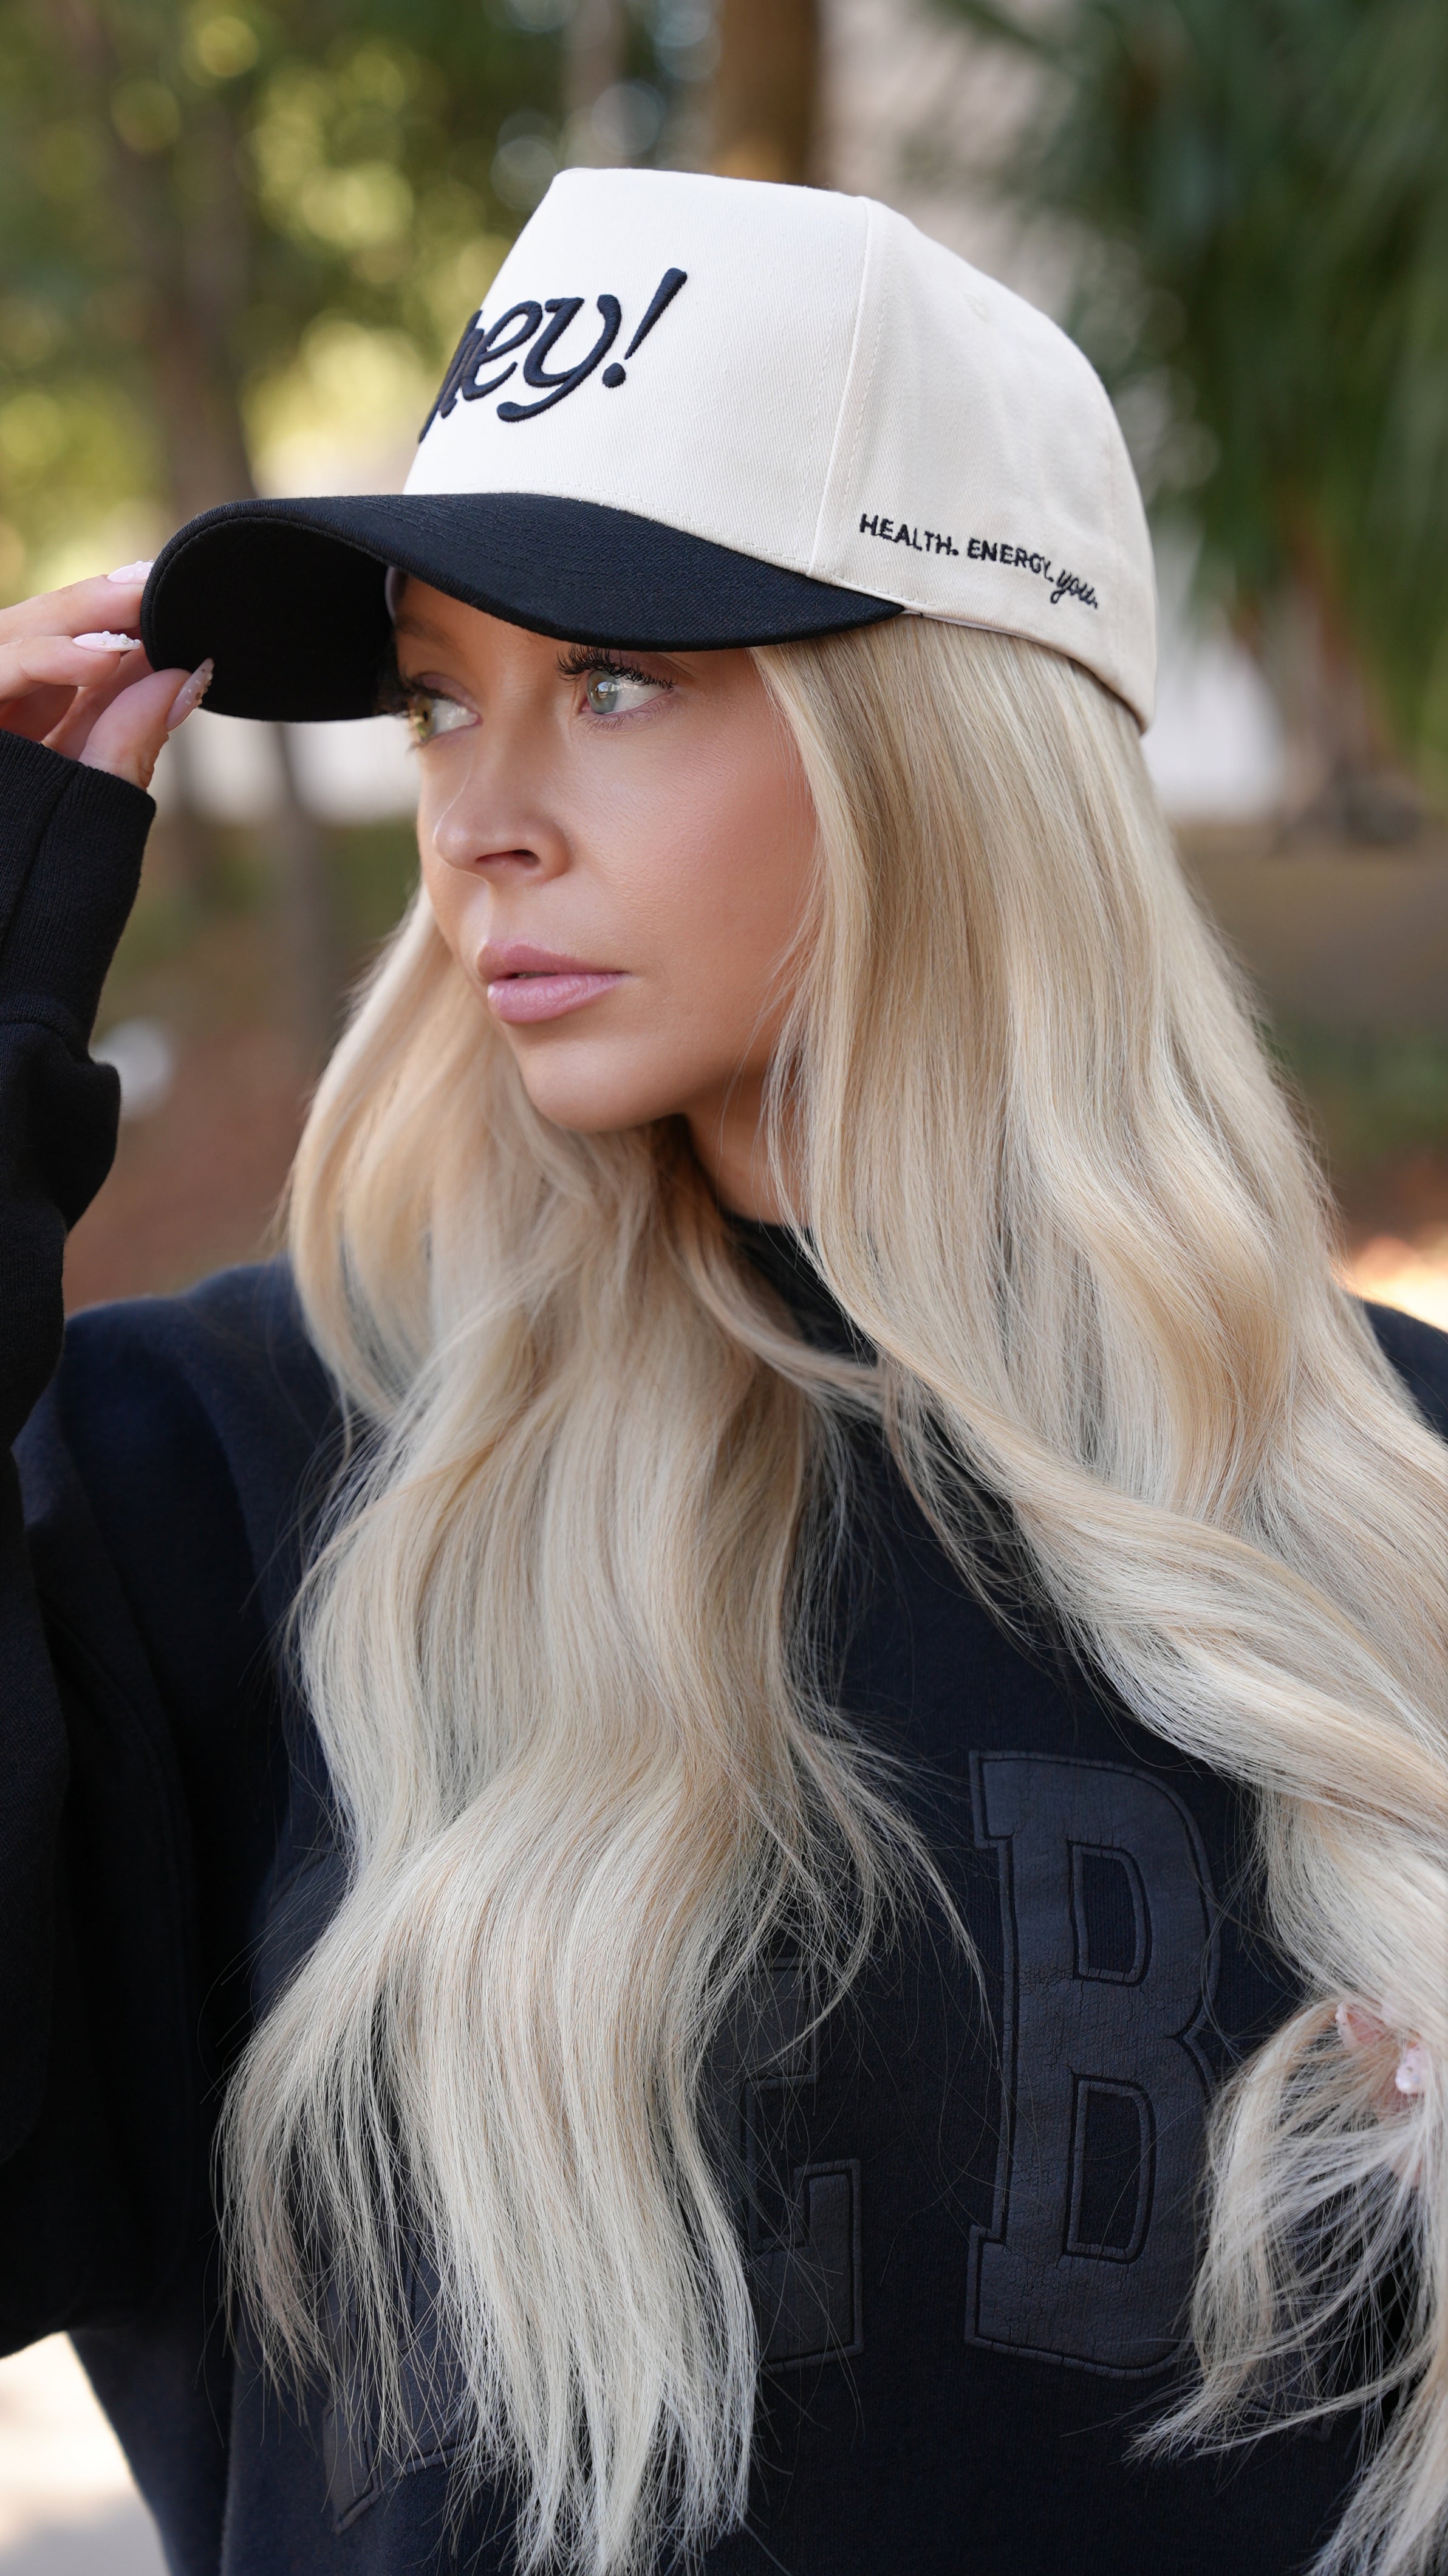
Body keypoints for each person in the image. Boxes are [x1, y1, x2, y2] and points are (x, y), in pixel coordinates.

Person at [0, 168, 1443, 2576]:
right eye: (446, 691)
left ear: (952, 745)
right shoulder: (218, 1483)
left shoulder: (1397, 1510)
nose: (481, 818)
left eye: (620, 682)